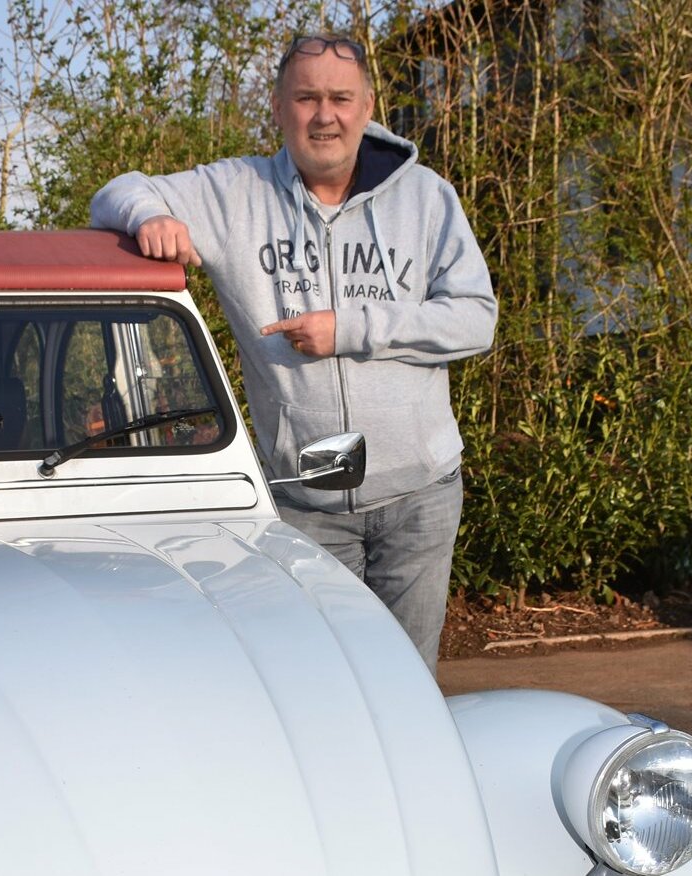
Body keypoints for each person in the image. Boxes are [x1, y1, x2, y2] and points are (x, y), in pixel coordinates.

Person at [89, 33, 497, 674]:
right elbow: (116, 190)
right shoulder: (238, 193)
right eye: (306, 98)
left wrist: (350, 328)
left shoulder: (426, 198)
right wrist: (150, 218)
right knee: (318, 685)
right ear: (279, 108)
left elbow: (476, 319)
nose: (324, 115)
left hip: (419, 498)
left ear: (367, 108)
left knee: (408, 683)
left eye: (340, 98)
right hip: (306, 510)